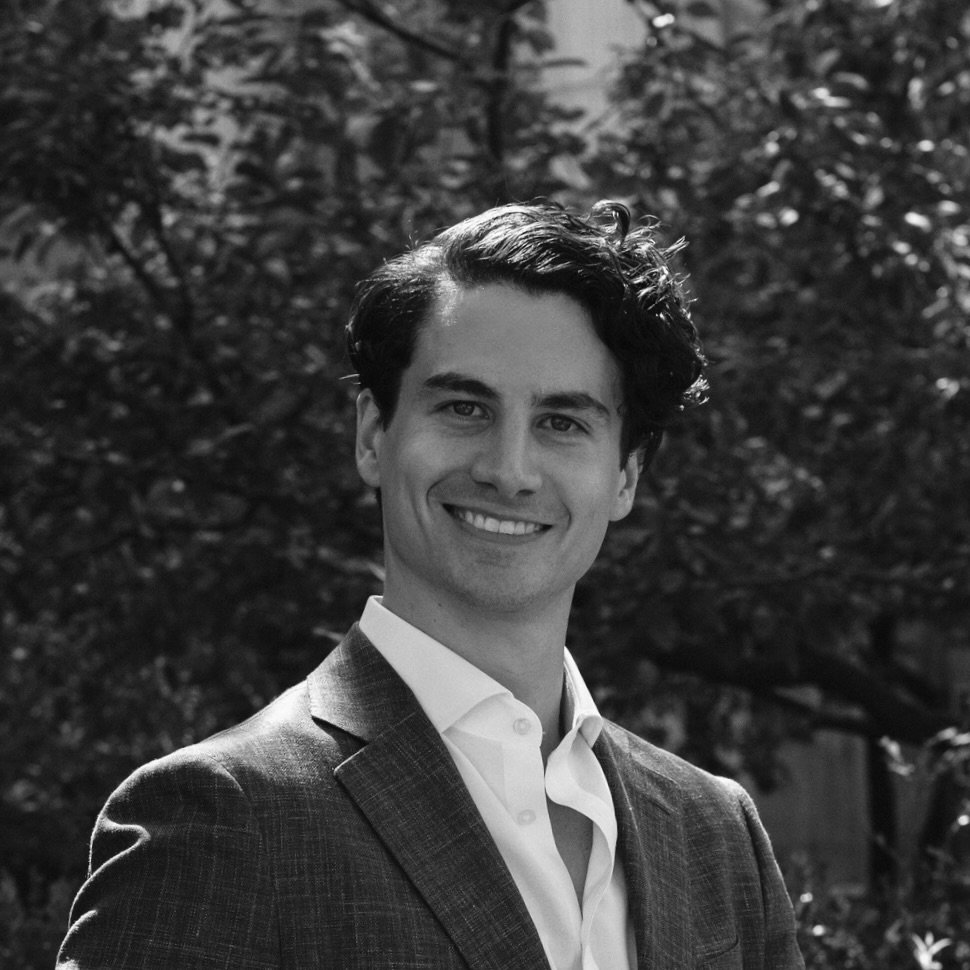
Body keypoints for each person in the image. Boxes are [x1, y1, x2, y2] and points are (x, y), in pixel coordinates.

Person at [56, 201, 804, 969]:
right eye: (463, 407)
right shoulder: (223, 816)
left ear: (626, 477)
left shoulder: (715, 835)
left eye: (562, 422)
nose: (507, 470)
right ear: (373, 436)